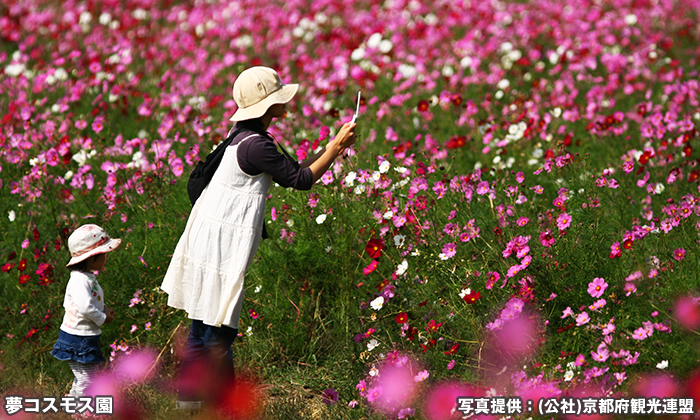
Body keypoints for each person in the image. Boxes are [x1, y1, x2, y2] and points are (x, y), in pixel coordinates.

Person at [161, 66, 357, 409]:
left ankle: (188, 403)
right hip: (221, 243)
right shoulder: (256, 146)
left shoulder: (241, 134)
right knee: (219, 331)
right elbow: (301, 179)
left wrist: (332, 146)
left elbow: (292, 173)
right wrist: (336, 146)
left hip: (206, 233)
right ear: (268, 107)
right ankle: (231, 408)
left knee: (200, 325)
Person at [51, 224, 120, 397]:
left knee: (84, 376)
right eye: (103, 254)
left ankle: (74, 405)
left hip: (84, 336)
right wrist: (103, 318)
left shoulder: (87, 278)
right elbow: (85, 307)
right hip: (78, 338)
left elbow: (90, 303)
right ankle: (82, 411)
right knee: (86, 379)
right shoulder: (80, 281)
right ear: (91, 258)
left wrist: (104, 309)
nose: (106, 258)